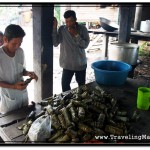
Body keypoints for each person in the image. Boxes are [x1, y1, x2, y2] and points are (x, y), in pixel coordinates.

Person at [0, 24, 38, 114]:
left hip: (23, 95)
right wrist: (14, 86)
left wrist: (28, 73)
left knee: (25, 117)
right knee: (11, 122)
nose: (17, 46)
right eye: (14, 44)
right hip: (9, 98)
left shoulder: (20, 52)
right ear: (5, 40)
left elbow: (21, 70)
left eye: (20, 43)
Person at [52, 10, 90, 92]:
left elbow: (85, 45)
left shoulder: (83, 29)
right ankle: (68, 103)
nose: (68, 24)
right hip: (67, 64)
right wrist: (55, 28)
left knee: (82, 87)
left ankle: (81, 103)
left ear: (75, 19)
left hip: (80, 64)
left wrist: (76, 35)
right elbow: (55, 43)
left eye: (71, 21)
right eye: (66, 21)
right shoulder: (62, 29)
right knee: (65, 86)